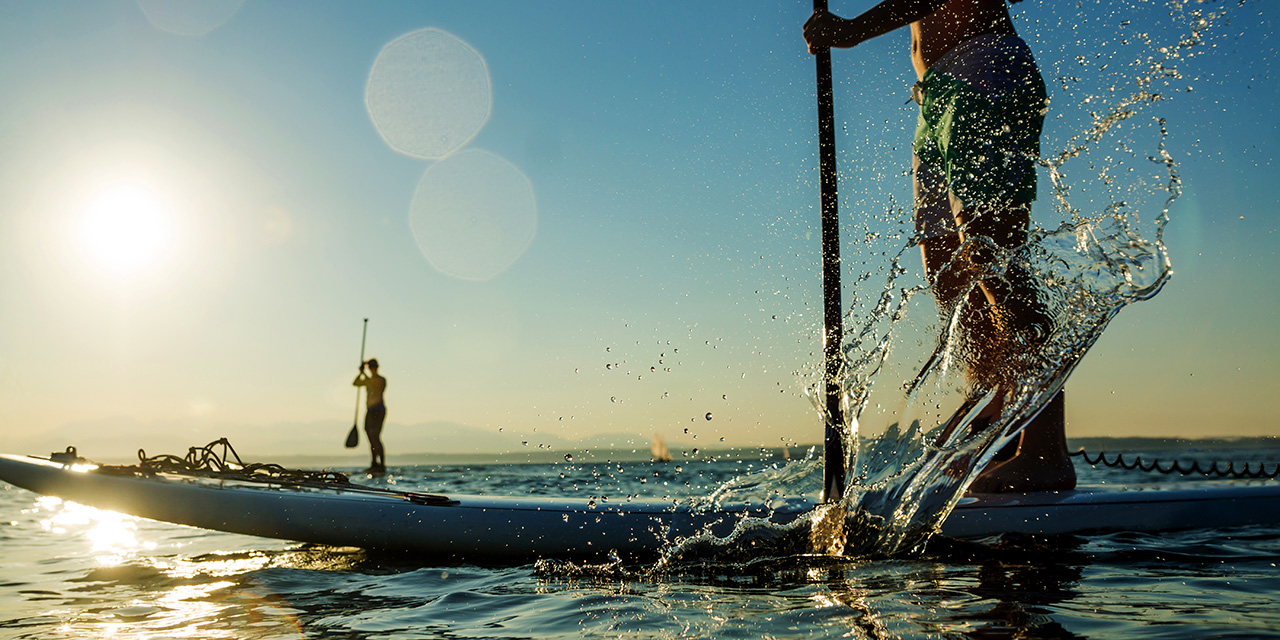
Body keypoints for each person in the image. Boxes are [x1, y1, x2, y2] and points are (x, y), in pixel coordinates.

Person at [803, 0, 1075, 491]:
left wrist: (852, 31)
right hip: (935, 95)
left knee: (993, 261)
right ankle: (993, 409)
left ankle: (1045, 450)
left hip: (985, 71)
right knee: (949, 275)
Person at [353, 358, 388, 473]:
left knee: (375, 436)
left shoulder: (381, 380)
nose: (372, 369)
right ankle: (374, 462)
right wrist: (360, 372)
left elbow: (375, 387)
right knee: (370, 436)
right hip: (370, 410)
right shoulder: (368, 380)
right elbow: (355, 383)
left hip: (378, 410)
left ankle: (382, 464)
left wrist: (363, 373)